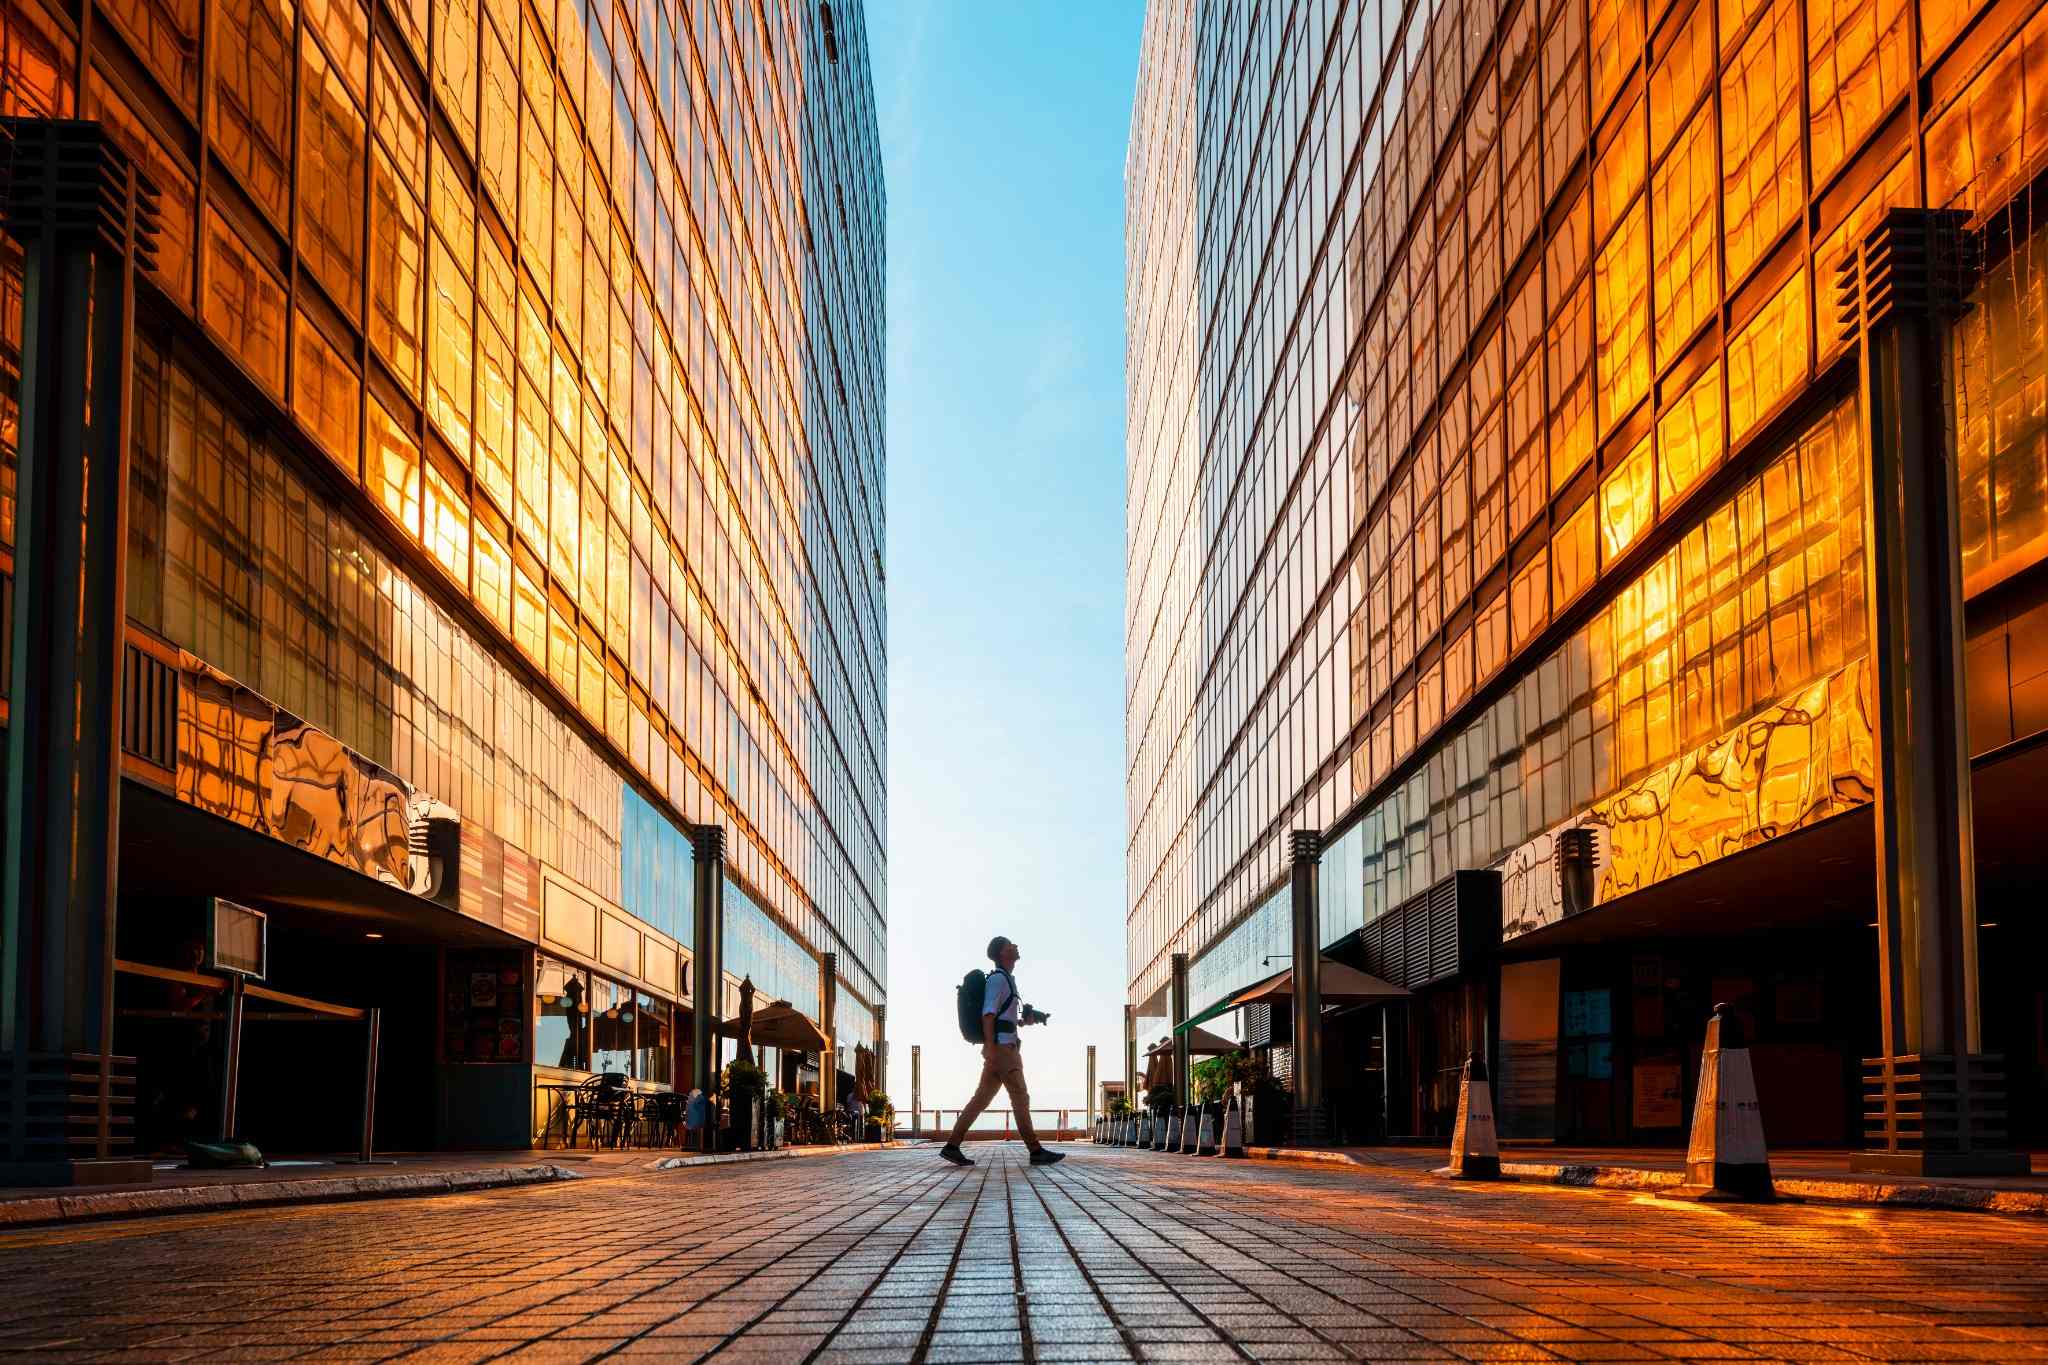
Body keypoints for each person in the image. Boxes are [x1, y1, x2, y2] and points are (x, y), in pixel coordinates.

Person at [939, 935, 1064, 1167]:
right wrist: (991, 1047)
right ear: (1002, 954)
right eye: (1010, 945)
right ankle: (1035, 1150)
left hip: (1001, 1047)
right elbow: (988, 1015)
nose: (1015, 946)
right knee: (1020, 1097)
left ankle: (952, 1146)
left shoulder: (1007, 979)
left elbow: (1002, 1018)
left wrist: (1027, 1020)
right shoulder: (998, 980)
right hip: (1003, 1050)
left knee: (980, 1100)